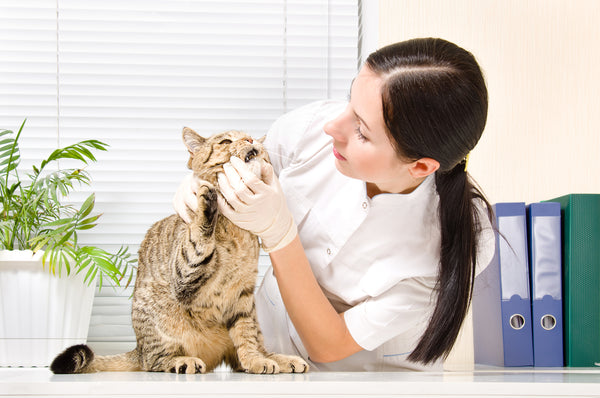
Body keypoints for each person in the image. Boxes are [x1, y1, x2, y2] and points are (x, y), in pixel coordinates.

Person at [174, 37, 496, 371]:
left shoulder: (458, 238)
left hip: (366, 383)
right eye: (349, 101)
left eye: (362, 132)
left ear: (420, 167)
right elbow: (243, 166)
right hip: (265, 366)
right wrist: (203, 185)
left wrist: (280, 233)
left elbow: (329, 344)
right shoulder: (308, 129)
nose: (332, 127)